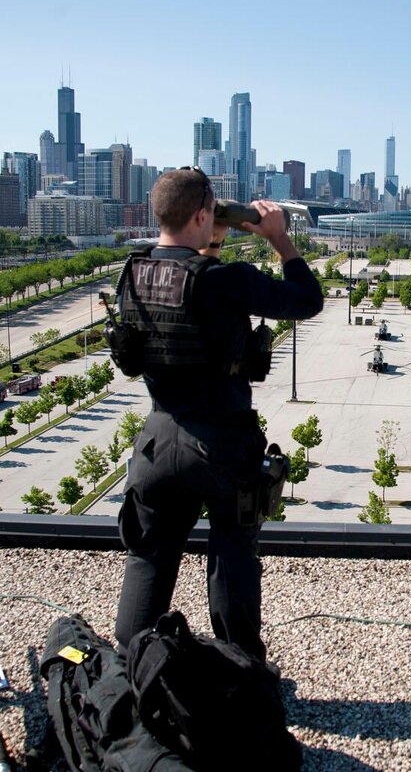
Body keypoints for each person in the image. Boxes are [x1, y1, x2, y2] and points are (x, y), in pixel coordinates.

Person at [114, 169, 323, 662]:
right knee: (231, 556)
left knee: (149, 556)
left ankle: (131, 669)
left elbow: (186, 296)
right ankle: (241, 673)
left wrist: (210, 243)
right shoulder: (228, 281)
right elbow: (307, 301)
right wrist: (280, 241)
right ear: (204, 214)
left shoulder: (133, 271)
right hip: (222, 446)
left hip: (157, 440)